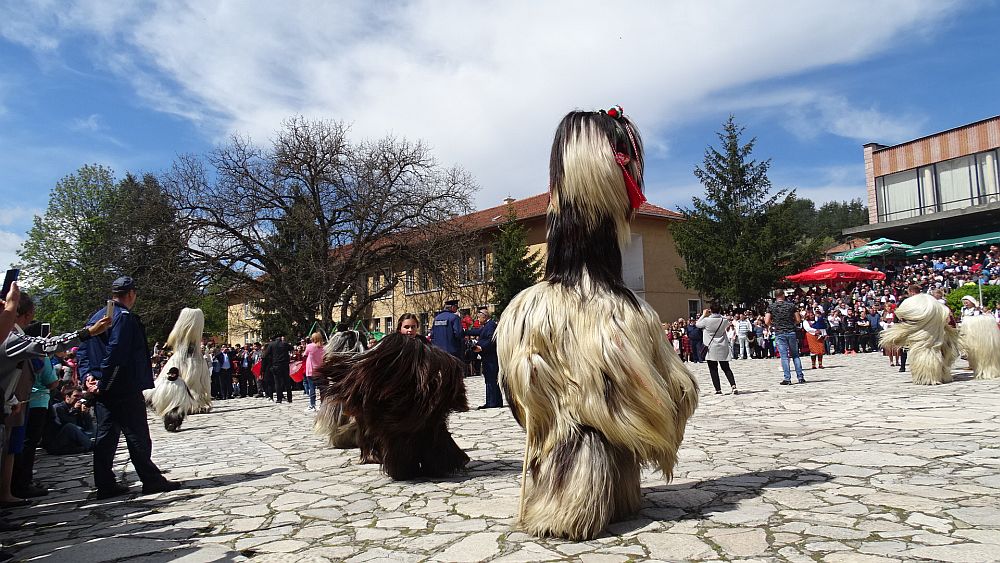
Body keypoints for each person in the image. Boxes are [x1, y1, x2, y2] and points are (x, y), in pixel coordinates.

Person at [77, 276, 180, 499]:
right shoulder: (123, 318)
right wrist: (104, 381)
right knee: (137, 435)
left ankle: (105, 483)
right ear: (131, 293)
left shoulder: (95, 317)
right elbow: (117, 353)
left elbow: (82, 350)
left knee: (106, 436)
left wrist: (87, 378)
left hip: (102, 386)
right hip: (121, 385)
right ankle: (151, 480)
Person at [765, 290, 805, 385]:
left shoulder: (771, 307)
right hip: (791, 331)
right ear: (783, 295)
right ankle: (800, 377)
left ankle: (787, 378)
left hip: (779, 332)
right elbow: (798, 320)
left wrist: (774, 325)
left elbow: (766, 321)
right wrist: (791, 324)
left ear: (775, 296)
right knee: (795, 355)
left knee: (784, 356)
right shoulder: (791, 305)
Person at [696, 304, 738, 395]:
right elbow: (726, 320)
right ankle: (733, 385)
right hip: (722, 345)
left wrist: (704, 314)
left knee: (713, 369)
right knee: (726, 367)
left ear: (711, 310)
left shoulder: (706, 320)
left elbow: (697, 324)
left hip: (710, 347)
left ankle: (718, 389)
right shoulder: (724, 320)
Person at [466, 308, 501, 409]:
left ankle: (491, 403)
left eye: (478, 317)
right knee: (491, 379)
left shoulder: (490, 326)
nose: (477, 319)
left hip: (491, 357)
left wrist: (481, 347)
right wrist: (464, 332)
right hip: (488, 357)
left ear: (484, 316)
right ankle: (496, 401)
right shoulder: (487, 326)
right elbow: (477, 332)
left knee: (491, 379)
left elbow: (492, 340)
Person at [45, 386, 95, 454]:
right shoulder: (58, 408)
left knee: (95, 428)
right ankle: (90, 445)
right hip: (57, 439)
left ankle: (87, 444)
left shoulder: (77, 408)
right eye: (76, 396)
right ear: (67, 397)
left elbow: (87, 427)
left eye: (80, 397)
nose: (78, 399)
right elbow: (66, 425)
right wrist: (74, 410)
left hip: (73, 437)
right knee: (70, 426)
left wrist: (85, 414)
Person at [265, 335, 292, 403]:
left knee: (277, 382)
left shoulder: (271, 345)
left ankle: (279, 399)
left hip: (276, 365)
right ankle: (289, 398)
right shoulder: (284, 344)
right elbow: (291, 348)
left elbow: (266, 354)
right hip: (285, 365)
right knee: (287, 382)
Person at [303, 332, 325, 412]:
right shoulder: (324, 347)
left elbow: (304, 355)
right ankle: (322, 405)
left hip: (311, 370)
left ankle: (312, 405)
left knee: (311, 388)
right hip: (321, 370)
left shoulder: (309, 346)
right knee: (322, 389)